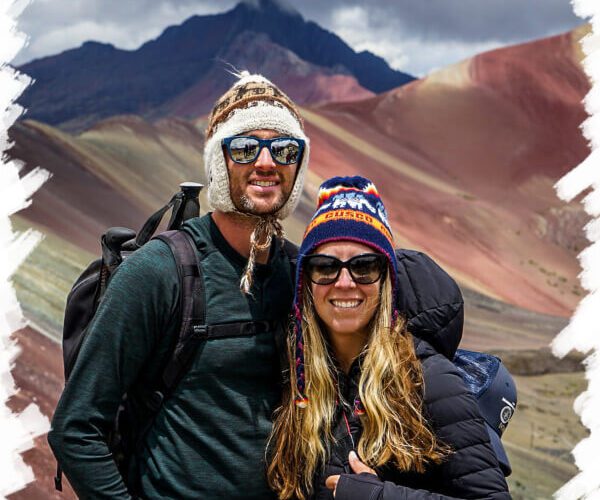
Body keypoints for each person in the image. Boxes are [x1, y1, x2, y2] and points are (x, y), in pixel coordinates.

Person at [48, 72, 310, 498]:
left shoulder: (302, 273)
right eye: (244, 148)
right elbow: (75, 429)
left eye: (284, 148)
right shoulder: (160, 272)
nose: (266, 162)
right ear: (218, 163)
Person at [267, 176, 511, 500]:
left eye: (364, 266)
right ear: (306, 282)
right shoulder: (298, 377)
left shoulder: (430, 381)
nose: (343, 282)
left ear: (387, 281)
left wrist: (380, 497)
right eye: (325, 266)